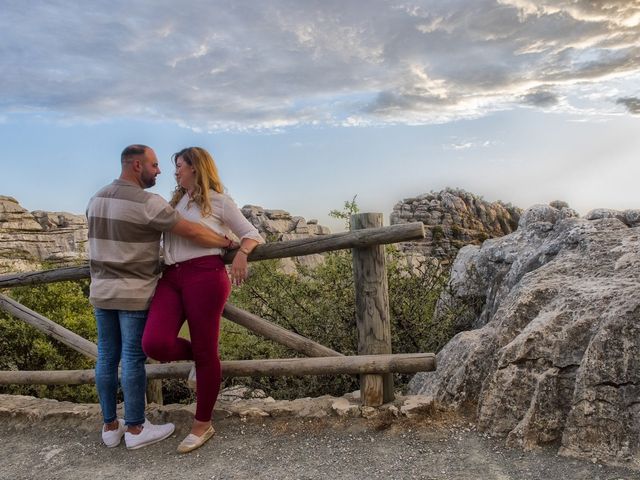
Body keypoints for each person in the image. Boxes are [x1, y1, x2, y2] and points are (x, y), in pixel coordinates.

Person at [87, 144, 229, 450]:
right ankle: (136, 429)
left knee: (107, 358)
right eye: (154, 165)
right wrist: (224, 241)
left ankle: (110, 427)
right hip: (133, 291)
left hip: (100, 290)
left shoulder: (96, 198)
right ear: (137, 166)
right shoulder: (147, 202)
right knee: (133, 358)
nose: (160, 170)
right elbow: (191, 231)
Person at [142, 146, 264, 454]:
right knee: (154, 344)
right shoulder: (176, 203)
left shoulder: (219, 202)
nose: (175, 171)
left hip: (205, 276)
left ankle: (202, 423)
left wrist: (241, 255)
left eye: (179, 166)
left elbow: (251, 233)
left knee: (208, 351)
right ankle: (201, 358)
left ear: (196, 168)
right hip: (171, 277)